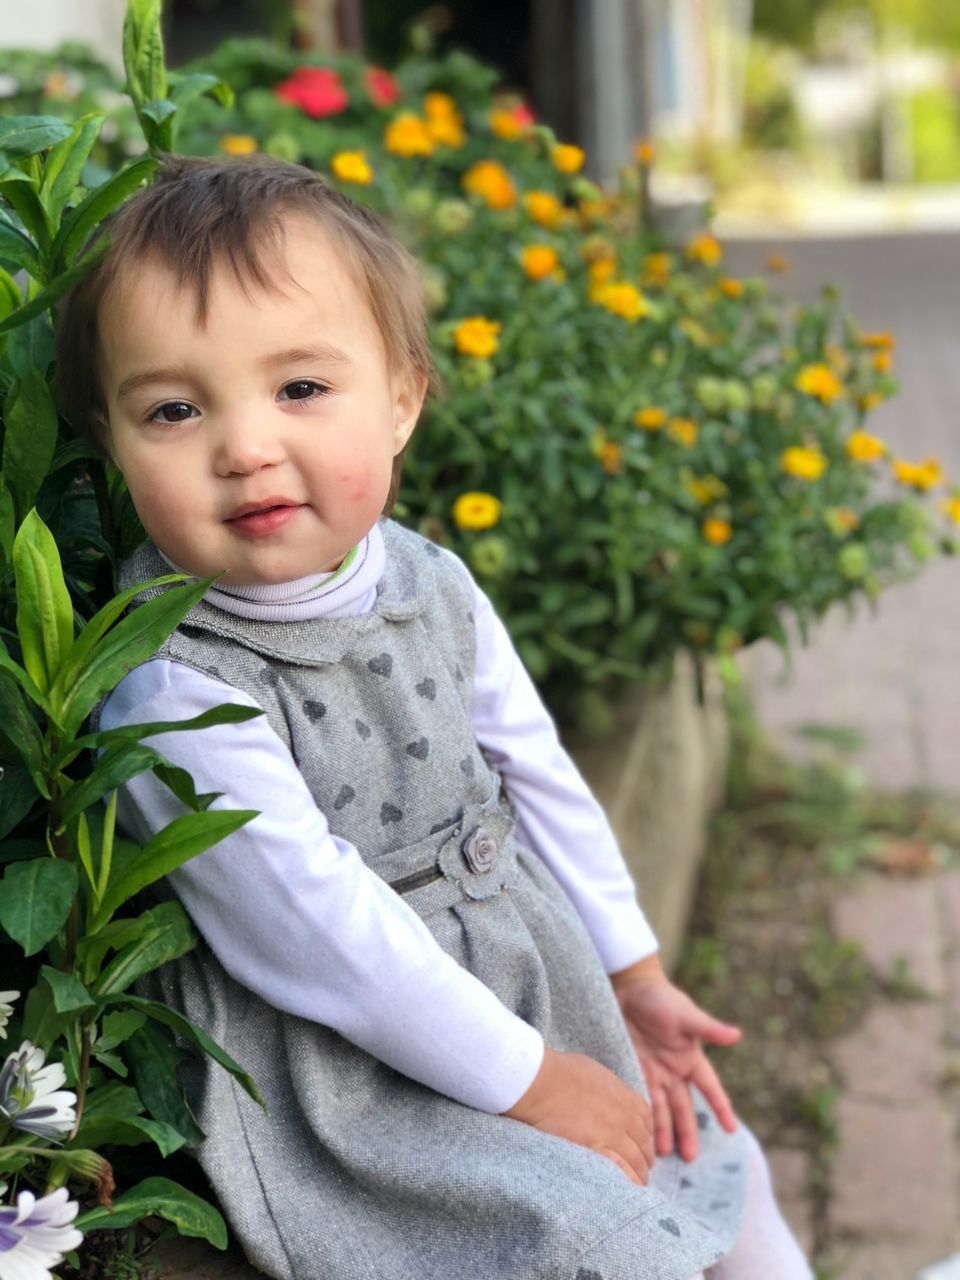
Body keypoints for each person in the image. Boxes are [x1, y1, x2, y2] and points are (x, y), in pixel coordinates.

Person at [56, 156, 811, 1280]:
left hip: (522, 974)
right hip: (357, 1077)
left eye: (300, 388)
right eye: (173, 408)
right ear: (116, 445)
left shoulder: (430, 581)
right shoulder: (176, 680)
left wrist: (634, 972)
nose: (246, 445)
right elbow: (322, 938)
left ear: (402, 397)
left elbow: (538, 773)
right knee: (595, 1237)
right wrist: (538, 1082)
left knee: (713, 1156)